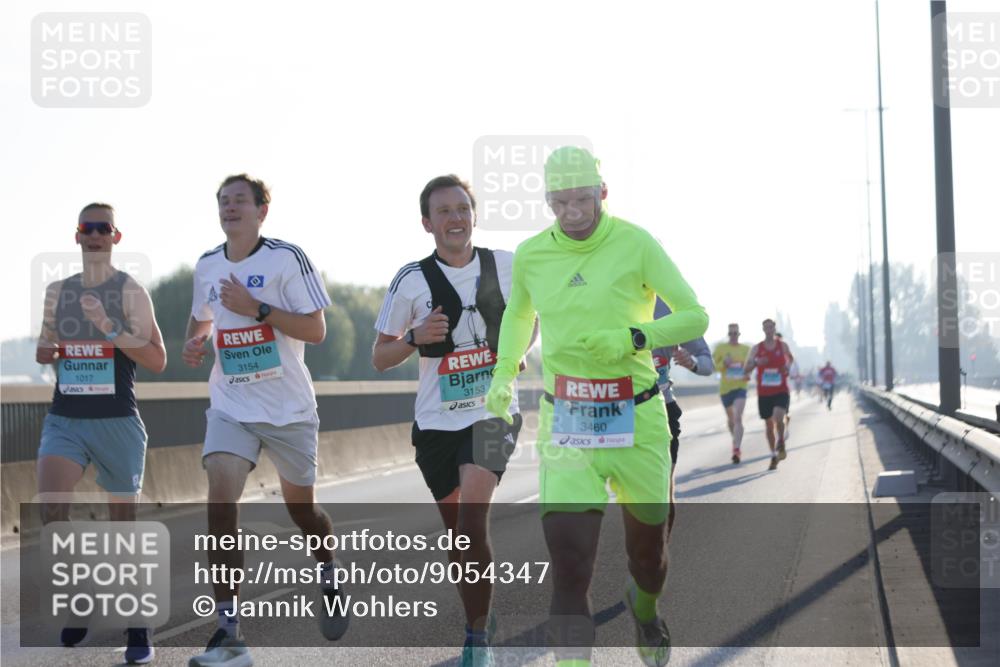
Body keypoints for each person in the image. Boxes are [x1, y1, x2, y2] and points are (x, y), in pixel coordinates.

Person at [484, 146, 709, 667]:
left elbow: (696, 316)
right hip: (568, 421)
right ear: (547, 201)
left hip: (638, 417)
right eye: (559, 203)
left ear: (603, 193)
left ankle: (644, 606)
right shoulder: (533, 254)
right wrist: (502, 373)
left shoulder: (636, 243)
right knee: (568, 566)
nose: (573, 213)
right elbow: (519, 315)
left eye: (582, 199)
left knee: (649, 559)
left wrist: (634, 336)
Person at [183, 174, 344, 667]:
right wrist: (195, 340)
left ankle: (329, 568)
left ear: (261, 210)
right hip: (232, 406)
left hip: (288, 410)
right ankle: (229, 630)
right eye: (223, 201)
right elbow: (203, 318)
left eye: (239, 201)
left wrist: (258, 309)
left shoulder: (285, 258)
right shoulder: (208, 264)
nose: (230, 208)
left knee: (303, 514)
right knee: (220, 503)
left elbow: (316, 329)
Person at [372, 174, 532, 667]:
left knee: (471, 518)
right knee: (458, 537)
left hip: (492, 413)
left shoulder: (507, 267)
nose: (455, 218)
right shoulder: (410, 280)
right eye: (443, 211)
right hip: (436, 423)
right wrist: (415, 338)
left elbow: (533, 322)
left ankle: (477, 638)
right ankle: (479, 614)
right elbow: (379, 357)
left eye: (462, 208)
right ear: (427, 223)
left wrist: (515, 353)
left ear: (474, 215)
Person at [35, 202, 166, 663]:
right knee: (52, 510)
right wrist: (47, 351)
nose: (94, 234)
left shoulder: (130, 292)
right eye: (87, 228)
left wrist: (109, 328)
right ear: (77, 236)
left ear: (116, 237)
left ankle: (137, 625)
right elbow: (44, 348)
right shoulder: (57, 292)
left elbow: (156, 358)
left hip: (117, 421)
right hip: (66, 418)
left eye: (103, 228)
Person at [650, 297, 711, 539]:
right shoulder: (602, 297)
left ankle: (658, 552)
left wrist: (692, 362)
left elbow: (706, 361)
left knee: (663, 490)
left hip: (662, 408)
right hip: (614, 412)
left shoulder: (667, 307)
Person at [744, 319, 794, 471]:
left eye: (771, 327)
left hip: (781, 389)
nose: (769, 330)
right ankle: (773, 454)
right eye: (766, 327)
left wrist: (787, 367)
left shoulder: (782, 345)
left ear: (774, 328)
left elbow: (790, 359)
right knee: (768, 424)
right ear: (763, 329)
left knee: (778, 416)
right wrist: (758, 362)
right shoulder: (756, 348)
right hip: (764, 392)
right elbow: (747, 368)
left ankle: (781, 442)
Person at [711, 323, 751, 464]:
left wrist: (748, 372)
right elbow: (713, 366)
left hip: (741, 387)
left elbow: (751, 364)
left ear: (739, 334)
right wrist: (724, 364)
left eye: (735, 333)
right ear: (728, 334)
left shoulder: (746, 349)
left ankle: (736, 448)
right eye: (731, 333)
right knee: (731, 420)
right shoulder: (721, 348)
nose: (733, 336)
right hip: (725, 389)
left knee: (738, 417)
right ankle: (735, 441)